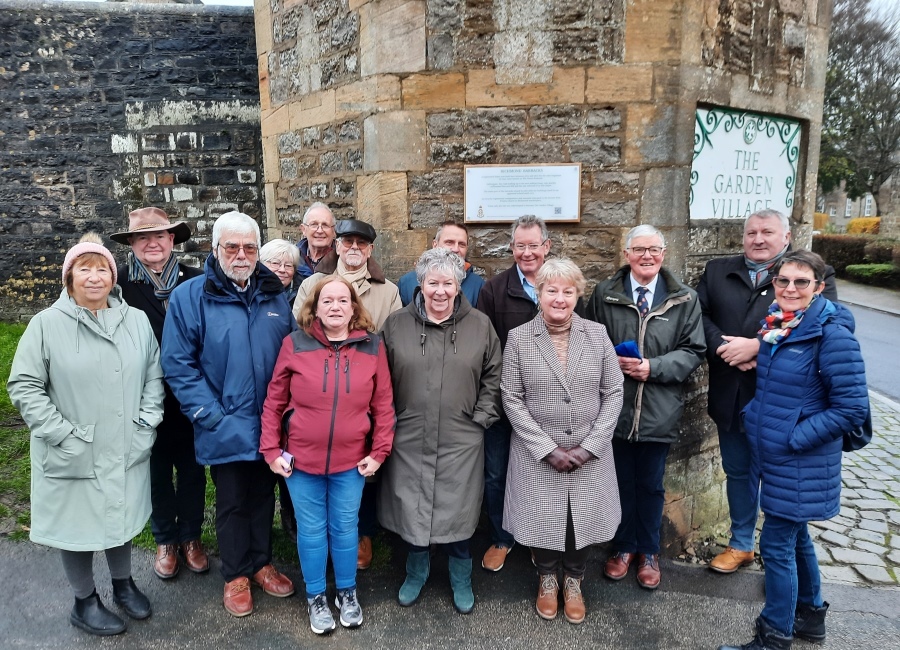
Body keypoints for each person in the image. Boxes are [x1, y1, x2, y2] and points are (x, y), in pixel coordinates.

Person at [8, 233, 165, 636]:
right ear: (69, 277)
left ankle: (123, 584)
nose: (94, 277)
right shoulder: (46, 325)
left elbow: (153, 376)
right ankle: (84, 601)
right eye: (84, 268)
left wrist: (146, 424)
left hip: (125, 440)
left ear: (113, 277)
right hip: (73, 447)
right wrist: (61, 433)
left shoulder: (135, 321)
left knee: (120, 512)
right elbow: (24, 385)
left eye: (102, 269)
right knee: (75, 526)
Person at [718, 250, 867, 650]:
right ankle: (810, 616)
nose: (790, 289)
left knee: (776, 546)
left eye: (801, 282)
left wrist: (794, 437)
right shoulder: (779, 327)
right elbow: (773, 393)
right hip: (776, 456)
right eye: (783, 281)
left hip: (800, 458)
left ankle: (774, 634)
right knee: (797, 537)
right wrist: (755, 418)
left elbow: (852, 408)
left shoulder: (830, 335)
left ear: (819, 287)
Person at [161, 211, 296, 618]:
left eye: (250, 247)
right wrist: (211, 415)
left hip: (270, 422)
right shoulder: (190, 296)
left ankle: (260, 563)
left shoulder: (274, 296)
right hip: (224, 421)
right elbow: (177, 363)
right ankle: (236, 573)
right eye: (232, 246)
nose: (241, 254)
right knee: (233, 500)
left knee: (263, 495)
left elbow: (291, 355)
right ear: (215, 249)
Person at [697, 209, 838, 574]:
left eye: (768, 232)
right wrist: (727, 350)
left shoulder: (810, 276)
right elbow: (700, 317)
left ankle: (785, 557)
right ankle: (742, 543)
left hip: (784, 401)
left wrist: (757, 348)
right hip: (731, 391)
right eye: (752, 233)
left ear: (786, 236)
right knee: (739, 472)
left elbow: (822, 324)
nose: (758, 239)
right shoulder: (716, 271)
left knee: (783, 479)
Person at [260, 276, 395, 634]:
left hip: (352, 461)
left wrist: (379, 452)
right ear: (314, 308)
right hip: (301, 461)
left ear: (354, 308)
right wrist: (271, 450)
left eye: (342, 301)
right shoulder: (295, 343)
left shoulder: (372, 346)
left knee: (345, 528)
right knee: (312, 530)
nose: (335, 307)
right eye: (327, 301)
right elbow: (274, 402)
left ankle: (347, 592)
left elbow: (384, 405)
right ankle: (317, 596)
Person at [379, 248, 502, 614]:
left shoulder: (479, 325)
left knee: (458, 508)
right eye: (432, 282)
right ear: (420, 284)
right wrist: (391, 418)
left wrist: (481, 416)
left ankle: (460, 576)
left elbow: (495, 374)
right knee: (412, 507)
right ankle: (416, 571)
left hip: (461, 435)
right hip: (409, 434)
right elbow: (380, 379)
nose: (440, 291)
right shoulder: (396, 325)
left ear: (458, 285)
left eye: (448, 283)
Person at [501, 258, 623, 624]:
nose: (559, 298)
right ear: (538, 294)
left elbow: (614, 390)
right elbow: (510, 396)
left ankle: (574, 580)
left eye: (567, 291)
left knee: (580, 520)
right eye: (551, 290)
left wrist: (591, 446)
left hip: (589, 451)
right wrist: (545, 448)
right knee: (543, 519)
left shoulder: (598, 335)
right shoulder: (519, 338)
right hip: (539, 453)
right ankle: (547, 579)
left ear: (577, 295)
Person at [586, 225, 706, 590]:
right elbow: (589, 341)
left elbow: (693, 351)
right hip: (615, 406)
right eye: (639, 249)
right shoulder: (605, 294)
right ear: (627, 254)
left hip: (658, 407)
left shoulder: (684, 299)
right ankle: (623, 548)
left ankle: (649, 552)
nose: (647, 256)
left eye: (654, 249)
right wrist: (612, 363)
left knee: (651, 484)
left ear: (664, 254)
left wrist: (652, 367)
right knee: (619, 481)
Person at [292, 217, 402, 569]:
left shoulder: (388, 290)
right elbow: (301, 331)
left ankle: (362, 535)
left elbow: (393, 337)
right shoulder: (312, 284)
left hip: (365, 387)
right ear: (337, 246)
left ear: (370, 250)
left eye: (362, 244)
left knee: (361, 468)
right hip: (320, 387)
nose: (354, 249)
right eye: (348, 243)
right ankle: (318, 540)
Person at [111, 207, 208, 580]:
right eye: (142, 237)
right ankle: (165, 539)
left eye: (160, 236)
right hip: (140, 397)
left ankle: (192, 538)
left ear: (172, 240)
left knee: (192, 469)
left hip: (190, 394)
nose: (152, 243)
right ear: (132, 244)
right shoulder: (118, 285)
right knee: (155, 471)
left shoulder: (195, 281)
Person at [477, 214, 576, 572]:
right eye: (520, 245)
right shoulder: (494, 289)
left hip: (552, 406)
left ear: (547, 246)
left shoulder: (563, 286)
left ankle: (540, 539)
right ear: (512, 247)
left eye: (534, 245)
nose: (527, 252)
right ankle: (502, 537)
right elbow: (483, 347)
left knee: (543, 474)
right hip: (507, 403)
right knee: (497, 473)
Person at [259, 237, 303, 541]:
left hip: (292, 388)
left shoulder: (301, 296)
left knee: (292, 463)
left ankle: (292, 523)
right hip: (262, 385)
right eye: (275, 263)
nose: (282, 269)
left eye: (288, 265)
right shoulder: (257, 296)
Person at [396, 221, 485, 307]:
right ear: (435, 244)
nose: (456, 249)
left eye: (462, 244)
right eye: (449, 242)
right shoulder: (407, 283)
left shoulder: (478, 286)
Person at [295, 202, 337, 281]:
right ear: (304, 229)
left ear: (334, 230)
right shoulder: (292, 259)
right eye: (314, 224)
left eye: (325, 225)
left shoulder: (342, 258)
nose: (320, 230)